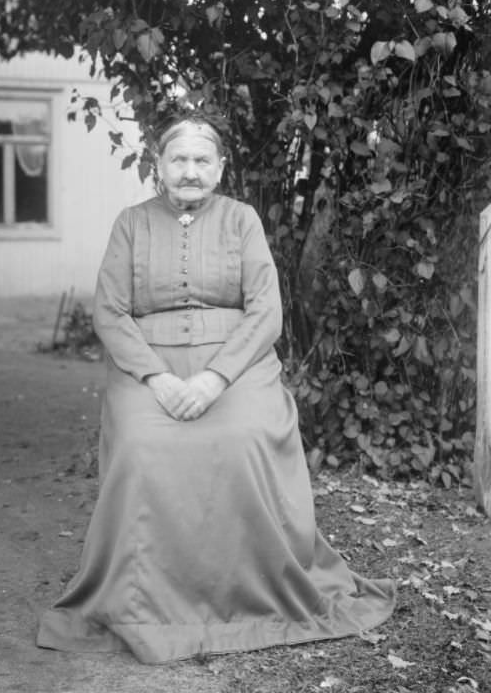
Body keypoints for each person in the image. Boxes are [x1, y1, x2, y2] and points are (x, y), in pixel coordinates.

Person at [37, 113, 395, 664]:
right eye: (178, 159)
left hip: (236, 363)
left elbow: (266, 311)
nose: (189, 170)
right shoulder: (131, 223)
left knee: (246, 435)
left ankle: (250, 590)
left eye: (202, 160)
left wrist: (214, 378)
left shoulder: (242, 220)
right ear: (159, 167)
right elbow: (109, 312)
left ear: (221, 168)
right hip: (147, 365)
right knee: (141, 446)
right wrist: (156, 377)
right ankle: (142, 603)